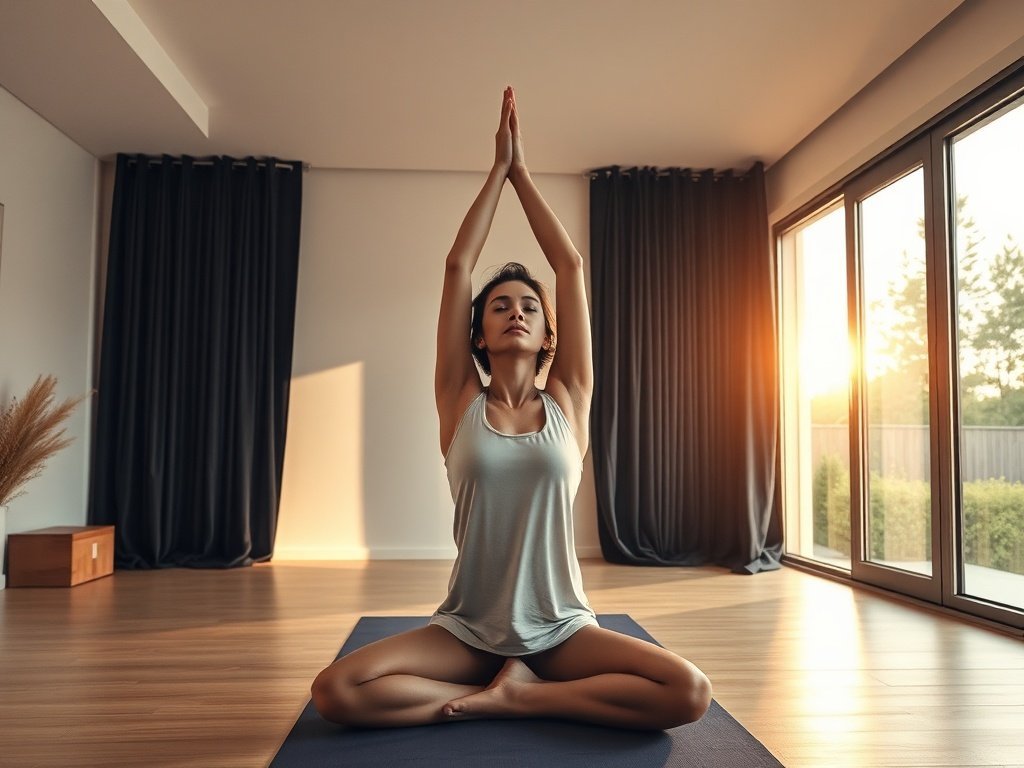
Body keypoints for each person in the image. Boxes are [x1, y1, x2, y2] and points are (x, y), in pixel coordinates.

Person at [310, 86, 712, 731]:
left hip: (562, 629)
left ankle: (523, 696)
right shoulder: (458, 399)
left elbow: (570, 266)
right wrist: (496, 170)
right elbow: (457, 265)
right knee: (337, 691)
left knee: (688, 693)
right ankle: (503, 691)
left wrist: (525, 172)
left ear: (547, 334)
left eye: (528, 305)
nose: (516, 311)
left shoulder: (569, 401)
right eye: (500, 306)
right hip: (468, 628)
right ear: (479, 334)